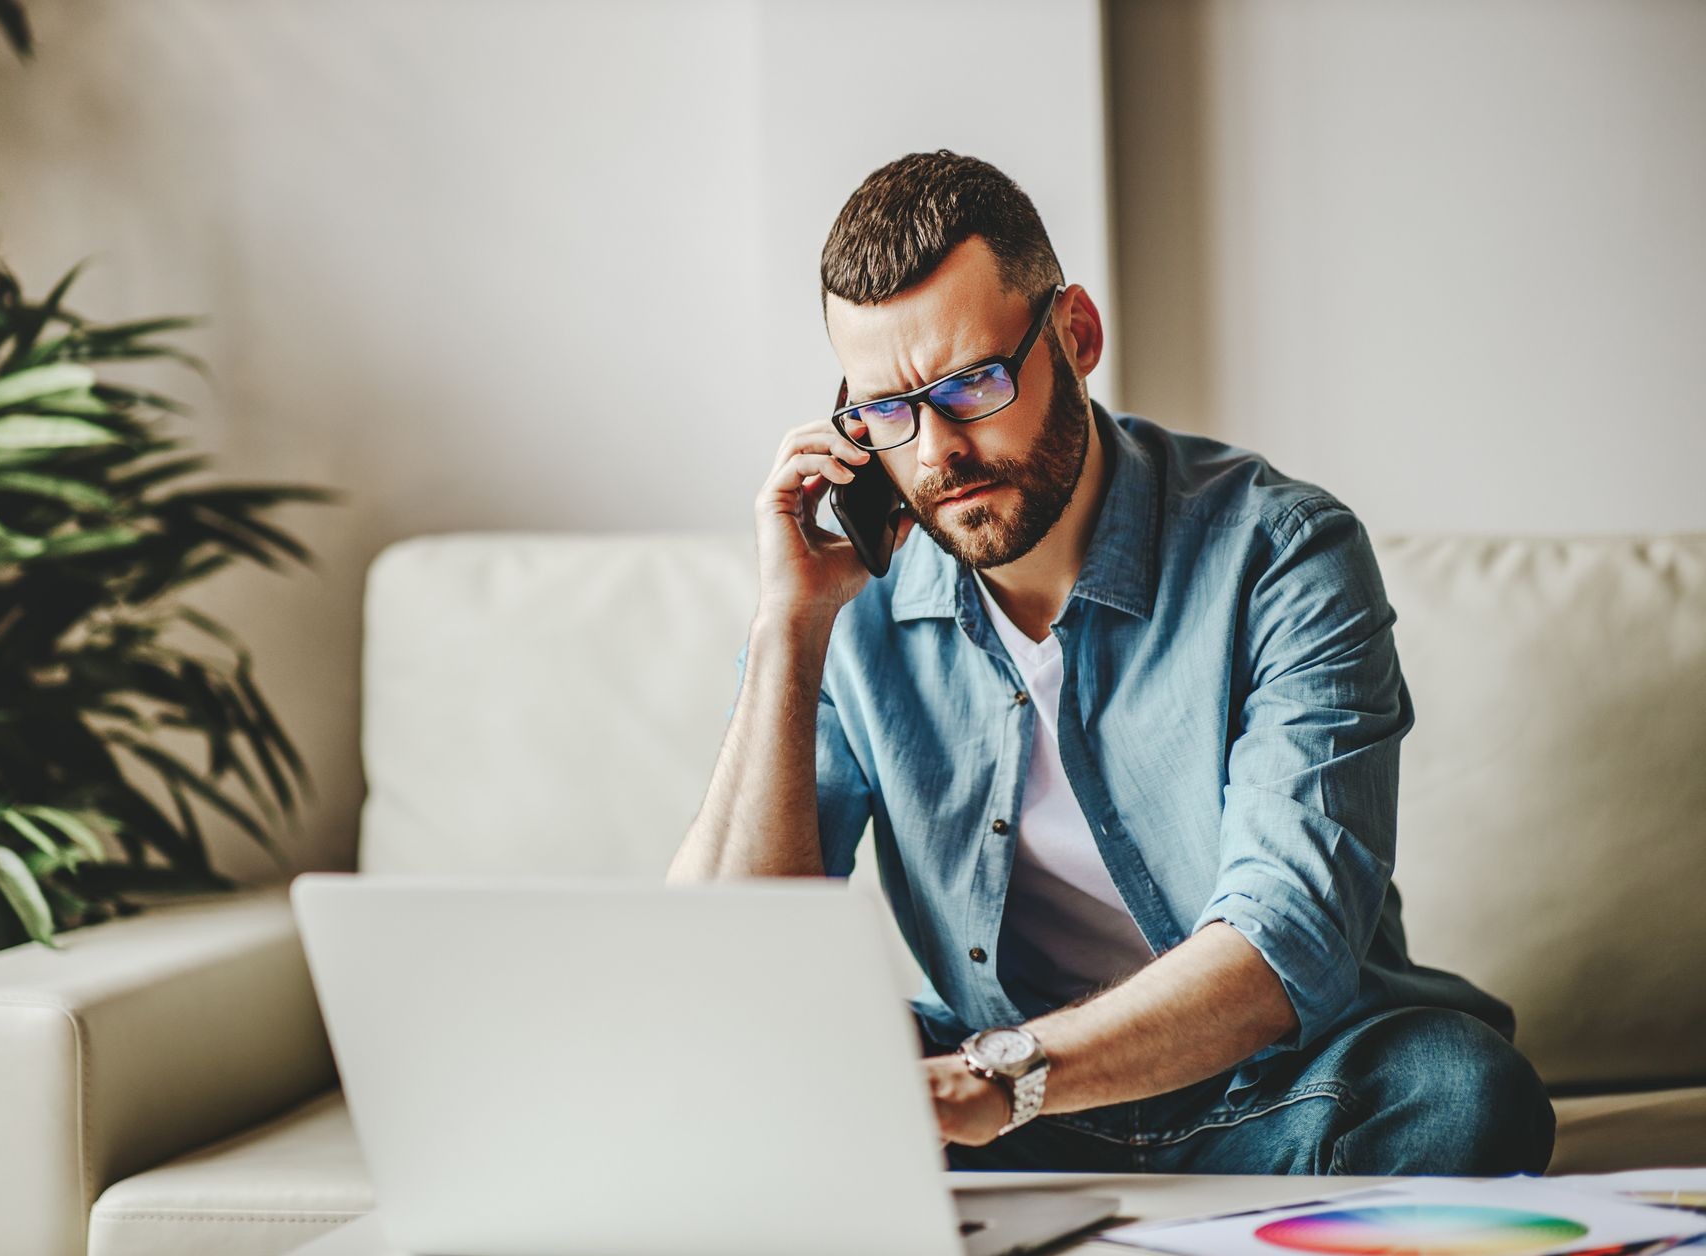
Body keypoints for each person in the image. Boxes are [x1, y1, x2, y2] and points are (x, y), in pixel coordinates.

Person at [664, 150, 1554, 1176]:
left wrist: (1003, 1078)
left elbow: (1283, 941)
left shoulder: (1283, 553)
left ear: (1076, 336)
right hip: (989, 1096)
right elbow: (721, 967)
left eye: (973, 384)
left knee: (1461, 1093)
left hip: (1277, 1087)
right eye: (886, 413)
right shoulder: (854, 601)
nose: (933, 453)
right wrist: (789, 625)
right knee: (756, 1081)